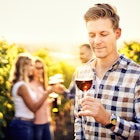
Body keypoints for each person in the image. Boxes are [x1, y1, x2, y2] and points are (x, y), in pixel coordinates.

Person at [74, 3, 140, 140]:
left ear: (117, 33)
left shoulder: (136, 76)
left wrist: (109, 119)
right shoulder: (82, 73)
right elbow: (79, 120)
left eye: (103, 34)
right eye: (92, 35)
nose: (97, 41)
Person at [9, 53, 55, 140]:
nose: (33, 68)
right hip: (22, 125)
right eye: (31, 65)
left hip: (26, 124)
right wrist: (47, 92)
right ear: (24, 67)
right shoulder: (22, 86)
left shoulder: (24, 84)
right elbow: (33, 108)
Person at [30, 56, 53, 140]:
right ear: (32, 69)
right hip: (36, 123)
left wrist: (50, 102)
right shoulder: (30, 85)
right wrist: (47, 94)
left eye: (41, 68)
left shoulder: (43, 84)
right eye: (37, 68)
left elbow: (42, 102)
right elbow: (33, 105)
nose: (40, 70)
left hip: (47, 121)